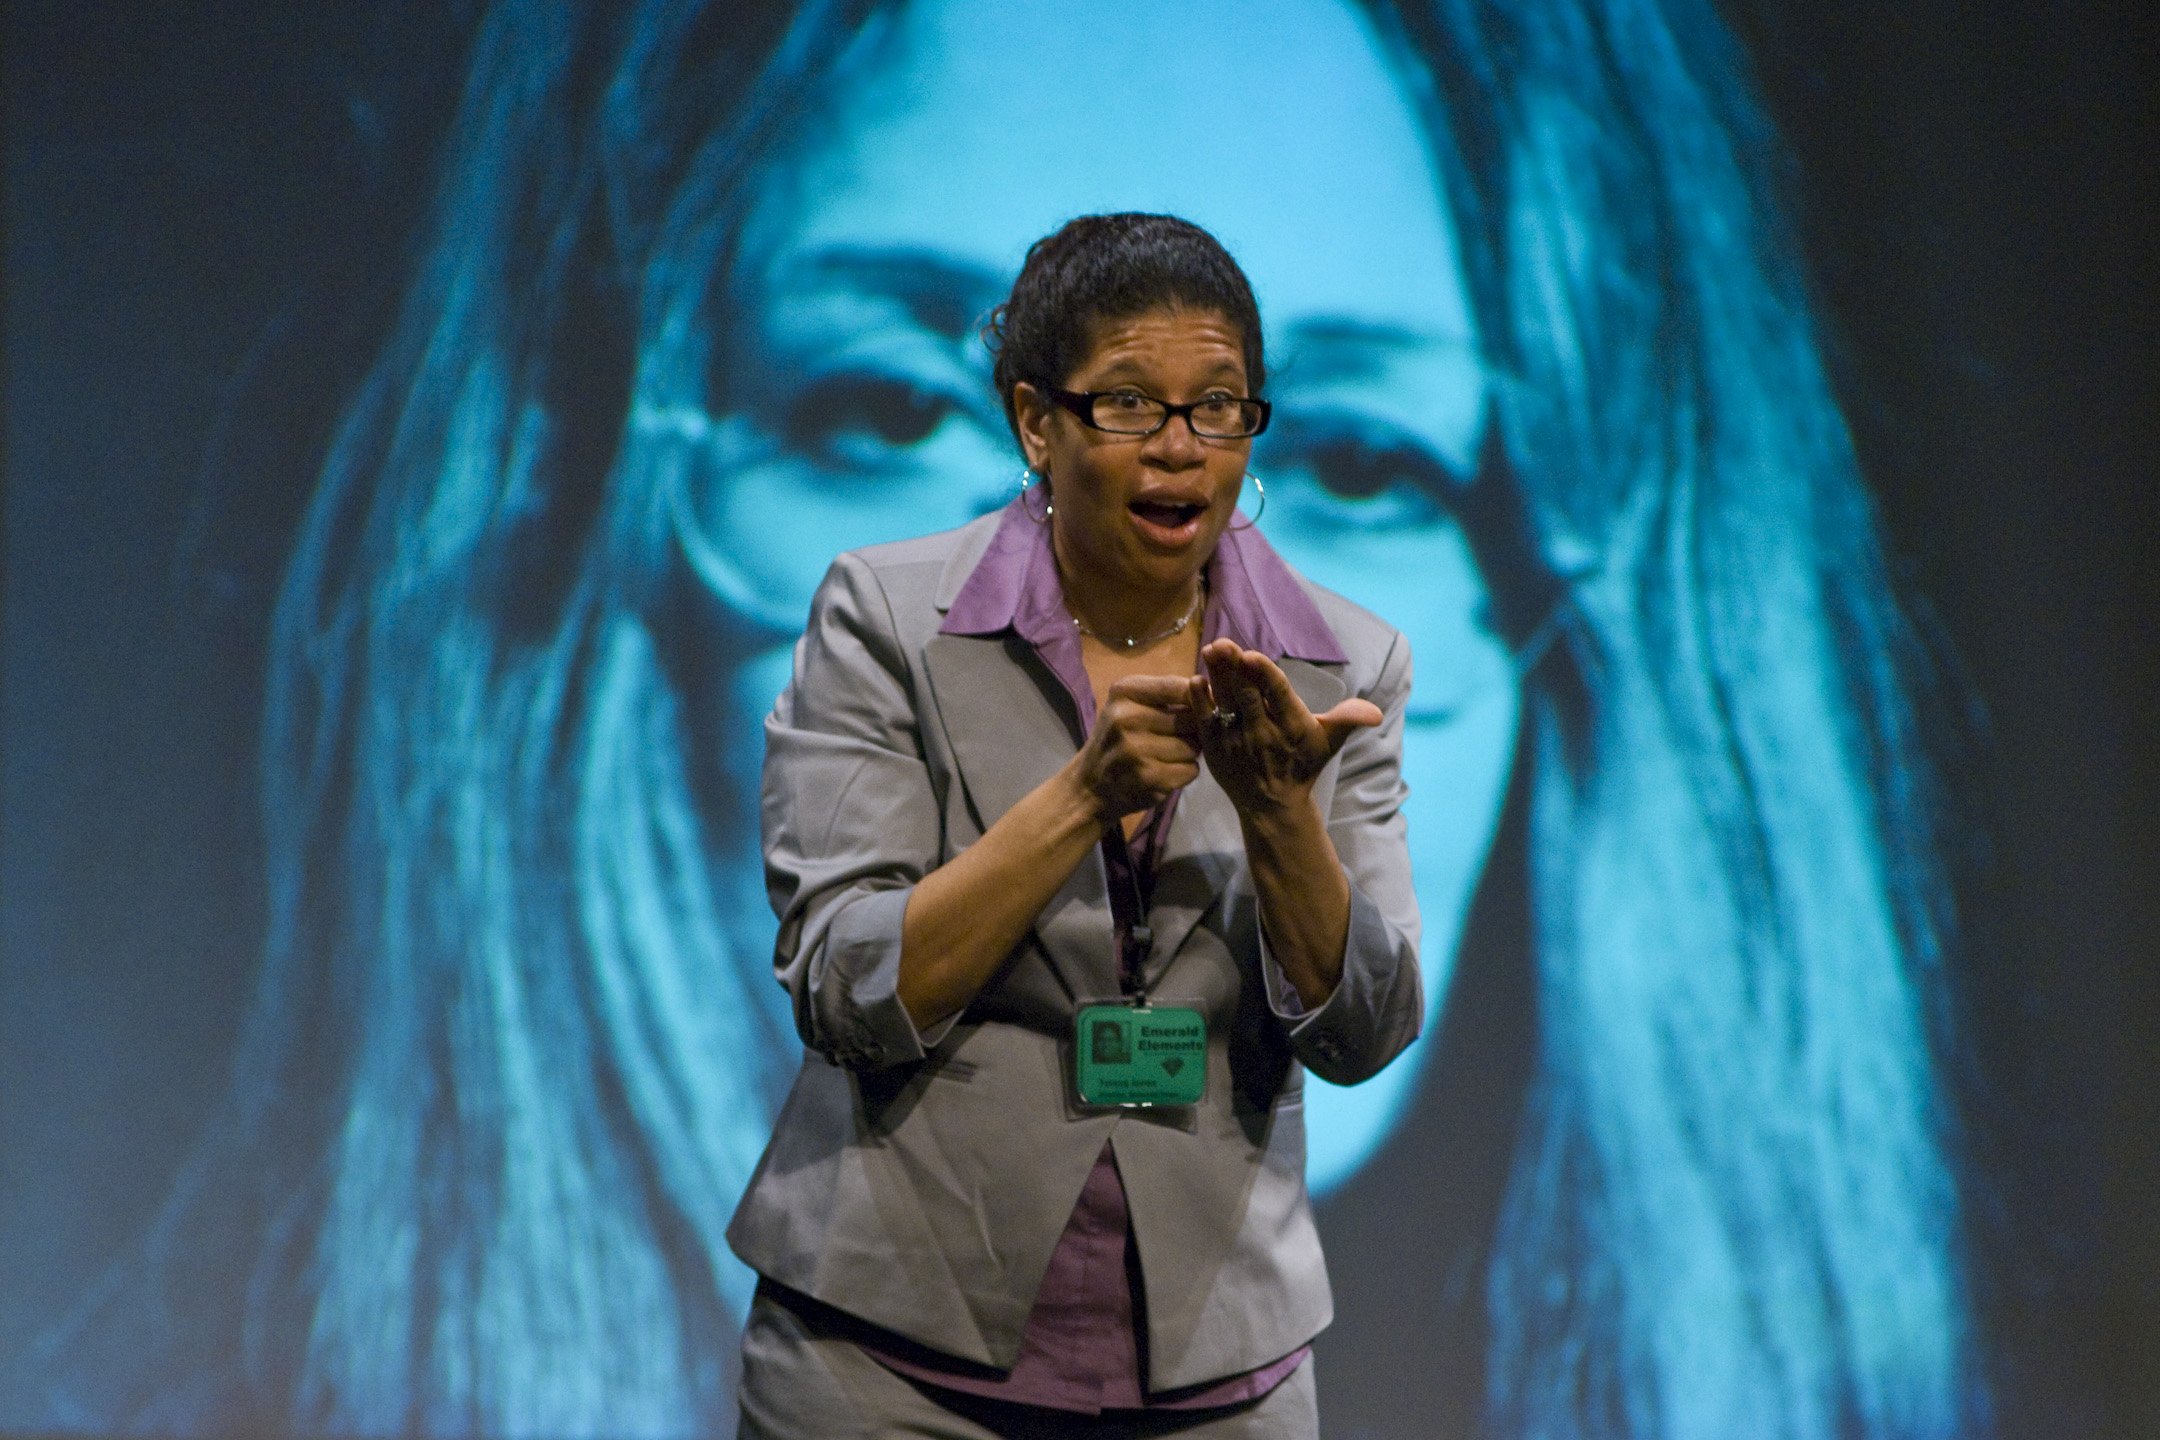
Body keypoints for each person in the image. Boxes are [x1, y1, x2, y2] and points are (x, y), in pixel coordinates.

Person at [13, 2, 1982, 1437]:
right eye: (881, 413)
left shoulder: (1326, 684)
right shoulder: (884, 645)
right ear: (559, 507)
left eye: (1356, 447)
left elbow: (1358, 1018)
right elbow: (868, 980)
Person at [727, 209, 1419, 1435]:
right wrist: (1080, 799)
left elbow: (1363, 1030)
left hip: (1215, 1375)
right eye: (1129, 406)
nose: (1180, 451)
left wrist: (1281, 819)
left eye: (1219, 407)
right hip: (890, 1362)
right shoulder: (887, 621)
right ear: (1034, 423)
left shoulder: (1344, 664)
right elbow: (844, 987)